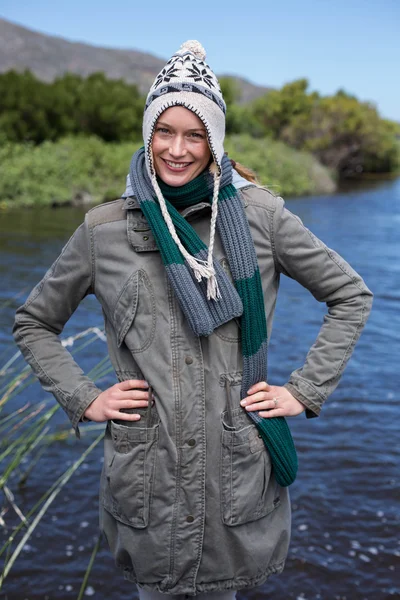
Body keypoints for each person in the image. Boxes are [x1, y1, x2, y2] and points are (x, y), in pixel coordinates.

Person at [13, 40, 373, 599]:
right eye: (165, 131)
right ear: (147, 134)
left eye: (195, 134)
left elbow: (350, 295)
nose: (177, 149)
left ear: (215, 141)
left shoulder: (261, 217)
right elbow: (34, 322)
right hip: (147, 482)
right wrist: (84, 398)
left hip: (235, 473)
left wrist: (304, 390)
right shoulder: (102, 230)